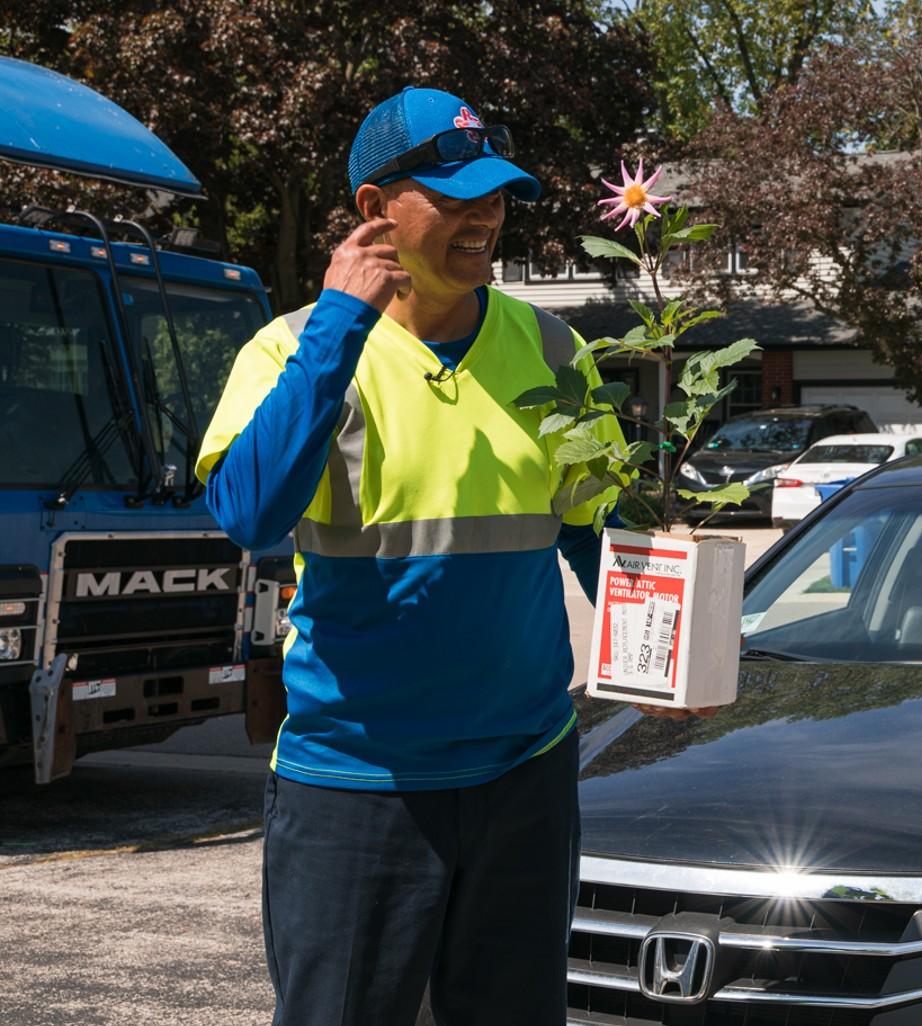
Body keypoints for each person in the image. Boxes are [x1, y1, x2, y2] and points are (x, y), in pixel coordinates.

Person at [197, 87, 625, 1025]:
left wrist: (682, 656)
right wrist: (339, 329)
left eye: (499, 194)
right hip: (358, 785)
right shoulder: (288, 352)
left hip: (526, 772)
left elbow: (599, 536)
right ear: (373, 211)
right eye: (454, 194)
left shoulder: (553, 351)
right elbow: (248, 514)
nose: (486, 217)